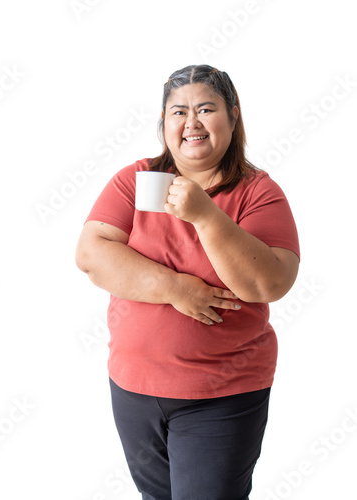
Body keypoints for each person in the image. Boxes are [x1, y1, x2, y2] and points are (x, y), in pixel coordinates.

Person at [75, 64, 300, 500]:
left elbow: (268, 284)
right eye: (178, 111)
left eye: (206, 108)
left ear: (233, 117)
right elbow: (91, 256)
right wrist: (177, 289)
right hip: (132, 388)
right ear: (163, 123)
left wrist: (205, 215)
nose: (191, 122)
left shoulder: (258, 193)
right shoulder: (136, 181)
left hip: (221, 394)